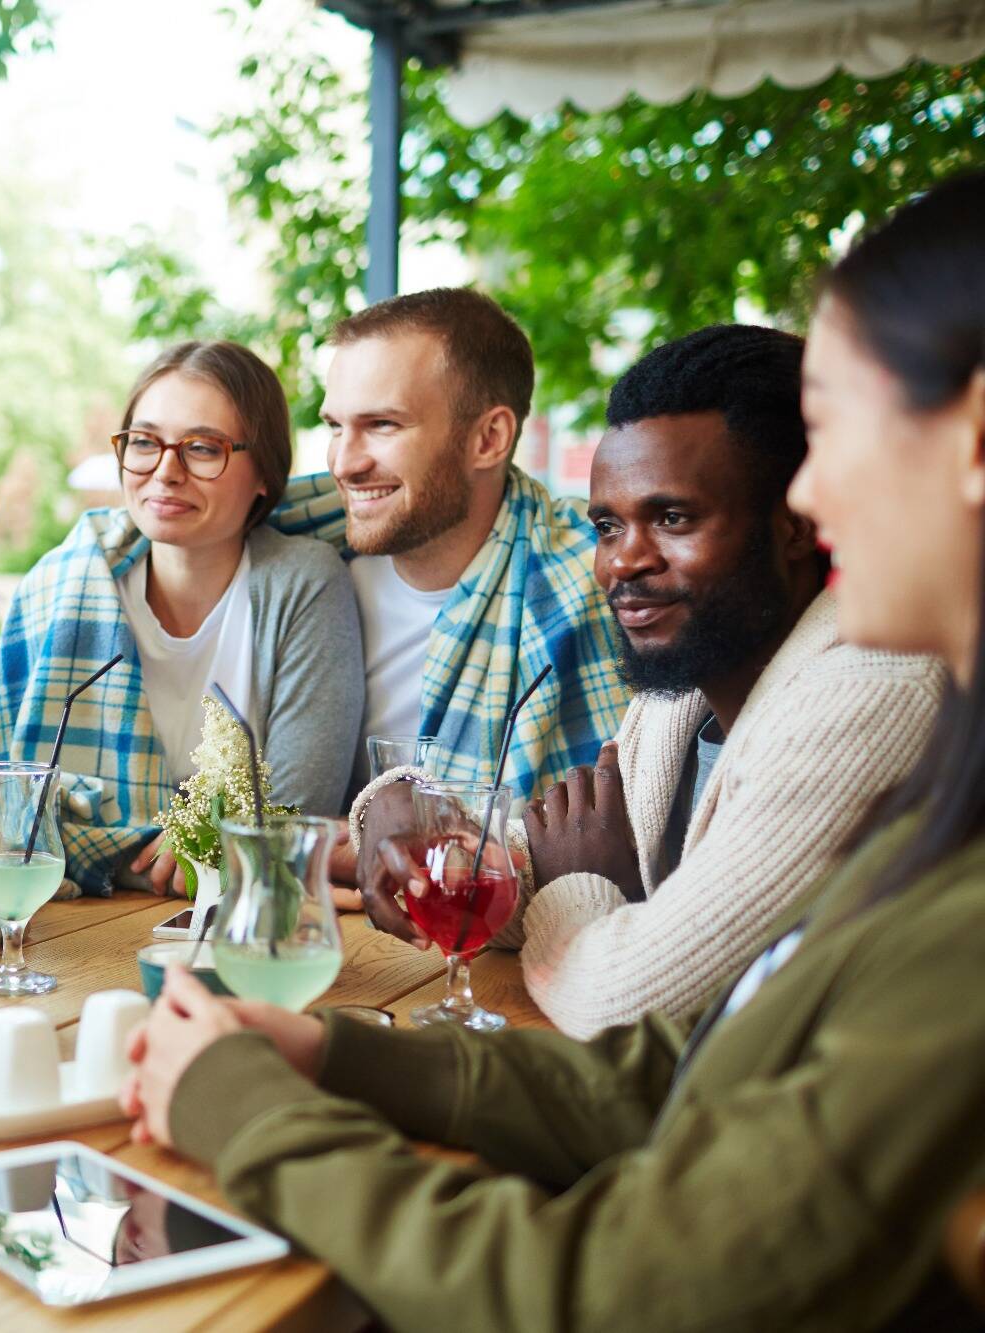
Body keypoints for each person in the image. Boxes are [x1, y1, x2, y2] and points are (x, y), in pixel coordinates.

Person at [121, 173, 985, 1331]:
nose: (811, 491)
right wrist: (333, 1054)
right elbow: (687, 1073)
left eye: (832, 433)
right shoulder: (703, 698)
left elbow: (619, 1279)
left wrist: (253, 1112)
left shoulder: (877, 713)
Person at [502, 325, 943, 1036]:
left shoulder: (869, 694)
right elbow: (551, 853)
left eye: (673, 517)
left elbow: (627, 1006)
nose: (624, 562)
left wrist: (585, 892)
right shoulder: (682, 688)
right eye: (608, 526)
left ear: (798, 523)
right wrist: (417, 840)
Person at [0, 340, 362, 897]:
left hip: (244, 933)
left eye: (202, 448)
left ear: (263, 475)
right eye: (144, 442)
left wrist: (100, 850)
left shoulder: (305, 584)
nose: (165, 471)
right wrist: (176, 852)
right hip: (67, 933)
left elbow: (294, 828)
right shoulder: (57, 587)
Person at [268, 291, 627, 890]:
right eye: (335, 426)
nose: (344, 463)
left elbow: (623, 833)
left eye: (382, 424)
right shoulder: (300, 558)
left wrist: (365, 847)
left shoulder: (592, 578)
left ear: (488, 438)